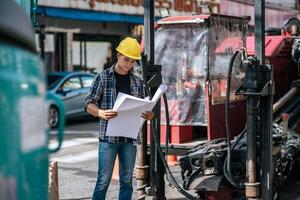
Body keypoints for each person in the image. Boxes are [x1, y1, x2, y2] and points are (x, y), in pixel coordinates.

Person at [85, 37, 154, 200]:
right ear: (118, 55)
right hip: (108, 139)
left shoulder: (138, 82)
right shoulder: (103, 78)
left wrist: (150, 115)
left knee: (127, 181)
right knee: (103, 180)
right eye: (126, 59)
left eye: (132, 61)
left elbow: (145, 107)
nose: (129, 64)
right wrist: (100, 112)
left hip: (129, 139)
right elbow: (89, 103)